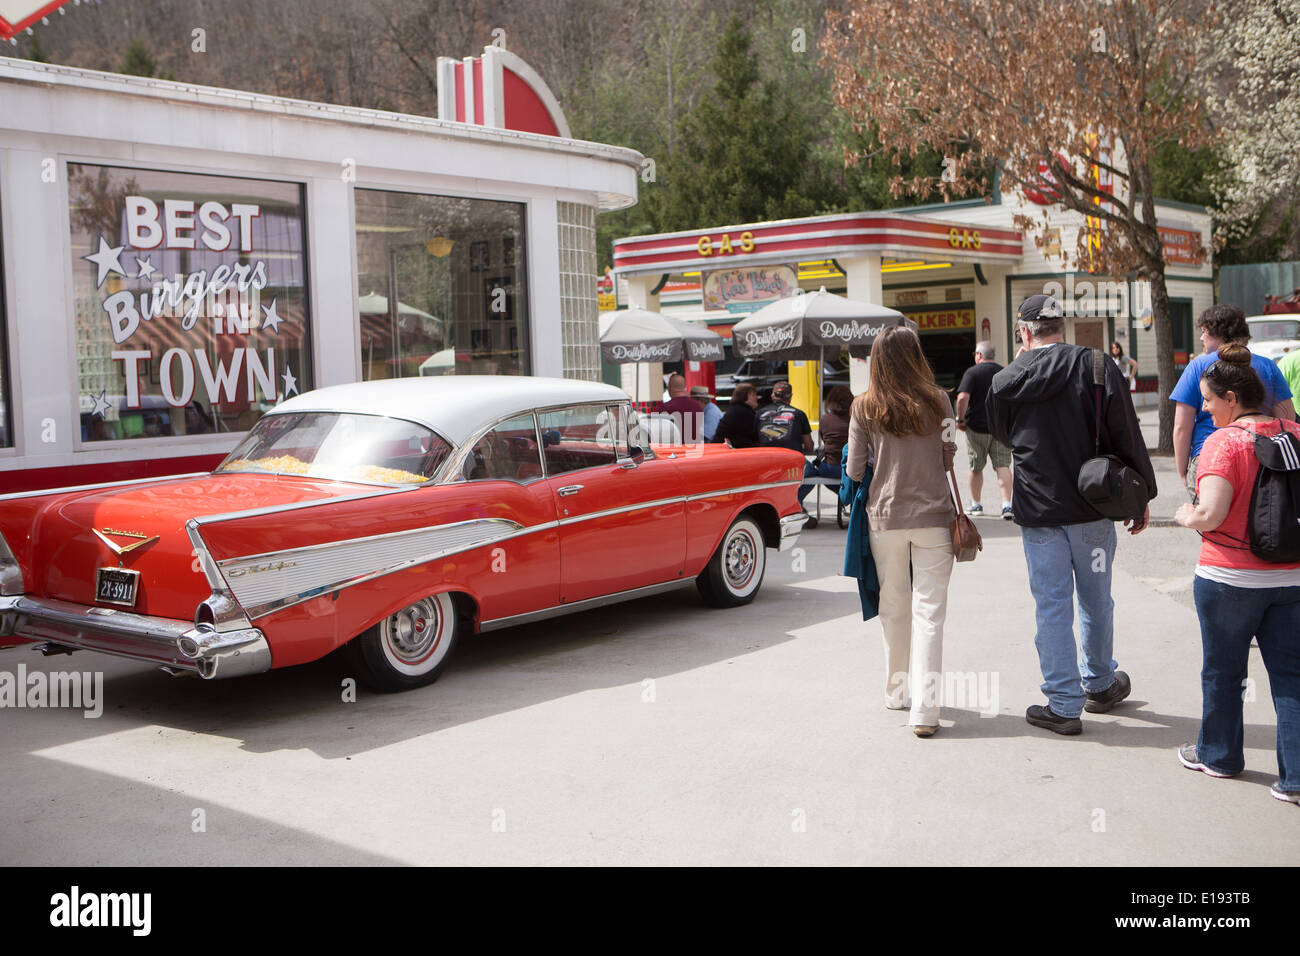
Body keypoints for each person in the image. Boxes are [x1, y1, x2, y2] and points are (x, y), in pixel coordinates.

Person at [986, 294, 1157, 735]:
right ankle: (1099, 682)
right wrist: (1142, 496)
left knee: (1051, 606)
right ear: (1060, 325)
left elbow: (1002, 433)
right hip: (1093, 505)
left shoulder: (1006, 379)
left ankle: (1063, 704)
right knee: (1097, 599)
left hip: (1038, 508)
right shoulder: (1098, 366)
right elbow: (1126, 432)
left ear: (1024, 332)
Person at [1172, 344, 1300, 806]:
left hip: (1230, 580)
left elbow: (1212, 512)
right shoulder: (1293, 432)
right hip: (1292, 578)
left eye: (1208, 400)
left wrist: (1187, 514)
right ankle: (1295, 779)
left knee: (1224, 673)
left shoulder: (1222, 443)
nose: (1204, 408)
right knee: (1292, 676)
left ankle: (1219, 756)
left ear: (1230, 397)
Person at [846, 326, 957, 737]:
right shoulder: (940, 399)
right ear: (916, 356)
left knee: (894, 608)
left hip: (885, 517)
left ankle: (897, 692)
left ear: (876, 360)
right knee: (930, 614)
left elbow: (855, 470)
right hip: (934, 517)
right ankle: (925, 712)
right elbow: (949, 456)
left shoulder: (864, 406)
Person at [1171, 304, 1293, 503]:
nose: (1201, 338)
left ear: (1219, 332)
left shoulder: (1198, 366)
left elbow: (1181, 427)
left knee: (1215, 526)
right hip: (1260, 456)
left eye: (1204, 332)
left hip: (1210, 456)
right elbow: (1286, 416)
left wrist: (1183, 470)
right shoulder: (1268, 365)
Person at [955, 341, 1014, 520]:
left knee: (976, 467)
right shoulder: (1004, 372)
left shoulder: (972, 373)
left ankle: (976, 504)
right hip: (999, 428)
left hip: (976, 429)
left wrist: (960, 418)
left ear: (979, 355)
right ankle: (1006, 506)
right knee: (1002, 465)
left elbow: (962, 397)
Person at [799, 385, 852, 506]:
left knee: (813, 470)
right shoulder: (856, 419)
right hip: (850, 469)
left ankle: (843, 497)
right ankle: (846, 498)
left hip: (831, 469)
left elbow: (824, 439)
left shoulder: (825, 419)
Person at [755, 381, 813, 454]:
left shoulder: (760, 413)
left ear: (772, 395)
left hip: (767, 458)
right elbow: (809, 446)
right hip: (791, 458)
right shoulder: (799, 414)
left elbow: (755, 441)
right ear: (791, 396)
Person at [656, 373, 703, 442]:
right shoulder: (697, 406)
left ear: (669, 388)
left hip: (674, 449)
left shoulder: (664, 408)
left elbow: (657, 431)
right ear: (684, 387)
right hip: (695, 447)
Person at [711, 383, 759, 448]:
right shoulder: (744, 412)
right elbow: (756, 435)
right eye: (753, 395)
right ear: (744, 397)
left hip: (720, 448)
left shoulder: (735, 410)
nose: (756, 397)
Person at [1109, 340, 1139, 421]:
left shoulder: (1123, 358)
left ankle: (1135, 417)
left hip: (1126, 380)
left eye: (1117, 347)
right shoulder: (1112, 359)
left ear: (1120, 348)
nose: (1115, 349)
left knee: (1129, 399)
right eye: (1113, 348)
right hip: (1118, 381)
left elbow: (1135, 364)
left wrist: (1131, 376)